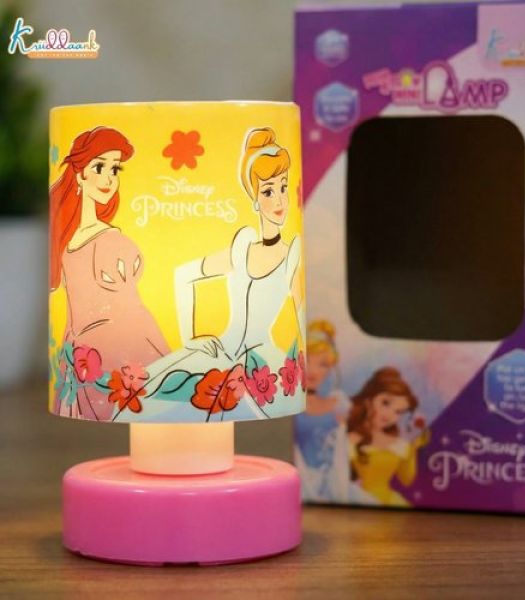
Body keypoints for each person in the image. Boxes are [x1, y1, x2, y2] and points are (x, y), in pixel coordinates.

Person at [124, 127, 305, 422]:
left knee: (221, 406)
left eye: (283, 187)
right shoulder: (243, 247)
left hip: (261, 365)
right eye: (268, 191)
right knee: (151, 397)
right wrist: (191, 338)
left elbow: (300, 315)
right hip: (218, 352)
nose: (279, 200)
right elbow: (184, 275)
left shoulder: (290, 257)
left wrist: (295, 364)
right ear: (255, 198)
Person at [49, 127, 169, 421]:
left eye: (115, 169)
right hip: (93, 359)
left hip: (100, 357)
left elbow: (132, 309)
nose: (108, 178)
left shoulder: (99, 243)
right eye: (99, 167)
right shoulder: (81, 242)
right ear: (79, 175)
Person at [347, 367, 429, 506]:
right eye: (385, 403)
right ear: (368, 400)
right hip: (359, 501)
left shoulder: (400, 444)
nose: (390, 415)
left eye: (398, 412)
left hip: (390, 502)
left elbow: (407, 481)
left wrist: (413, 449)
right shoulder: (349, 439)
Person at [295, 320, 349, 500]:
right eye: (307, 361)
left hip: (334, 484)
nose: (313, 370)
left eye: (323, 364)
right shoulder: (290, 404)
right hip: (302, 483)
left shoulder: (338, 403)